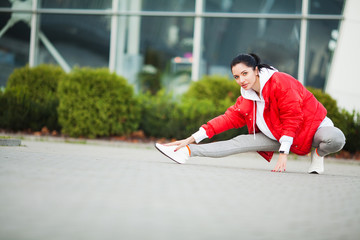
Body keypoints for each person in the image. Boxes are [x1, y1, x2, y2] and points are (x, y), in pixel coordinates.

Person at [155, 53, 346, 174]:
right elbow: (227, 119)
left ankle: (318, 154)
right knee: (238, 143)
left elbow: (292, 117)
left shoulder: (281, 83)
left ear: (256, 70)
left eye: (245, 73)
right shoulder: (247, 97)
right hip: (278, 134)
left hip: (310, 127)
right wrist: (191, 139)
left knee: (335, 139)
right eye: (236, 77)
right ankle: (184, 152)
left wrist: (283, 154)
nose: (241, 80)